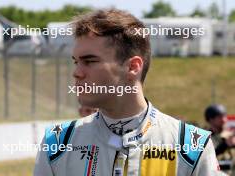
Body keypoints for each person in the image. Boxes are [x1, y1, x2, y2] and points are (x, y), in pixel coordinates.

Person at [34, 9, 221, 176]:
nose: (77, 72)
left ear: (133, 67)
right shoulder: (57, 143)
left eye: (90, 61)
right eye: (76, 62)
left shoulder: (192, 146)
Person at [205, 104, 235, 175]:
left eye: (224, 116)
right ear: (211, 119)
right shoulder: (206, 137)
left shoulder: (230, 135)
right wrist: (225, 145)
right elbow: (206, 156)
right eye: (220, 117)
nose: (224, 120)